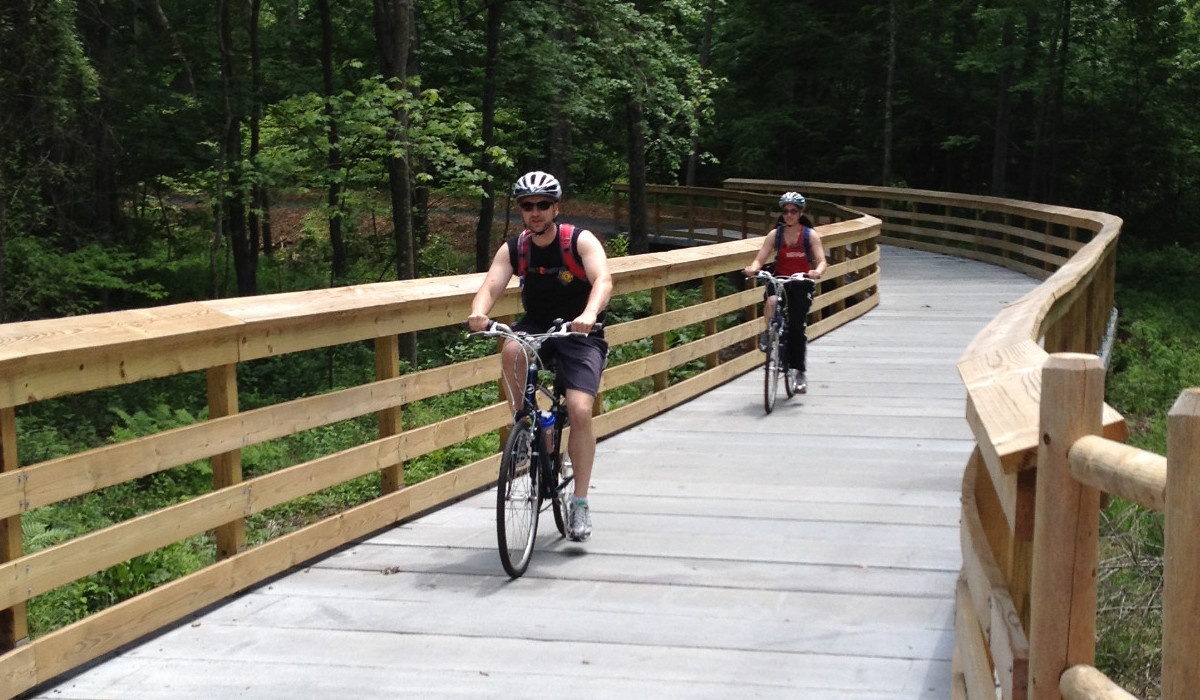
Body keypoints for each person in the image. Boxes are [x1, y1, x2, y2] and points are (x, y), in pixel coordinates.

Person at [468, 171, 613, 542]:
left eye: (543, 204)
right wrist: (479, 312)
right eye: (527, 205)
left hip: (580, 331)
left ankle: (579, 502)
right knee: (511, 347)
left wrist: (589, 314)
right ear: (520, 209)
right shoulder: (515, 248)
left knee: (579, 410)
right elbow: (491, 284)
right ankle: (527, 423)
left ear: (556, 207)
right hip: (537, 326)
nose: (535, 211)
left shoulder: (579, 240)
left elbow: (603, 280)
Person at [742, 191, 828, 393]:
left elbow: (822, 260)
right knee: (771, 301)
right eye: (786, 211)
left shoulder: (809, 235)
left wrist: (816, 272)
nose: (789, 215)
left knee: (797, 327)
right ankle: (768, 333)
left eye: (793, 211)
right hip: (779, 278)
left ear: (801, 213)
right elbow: (760, 258)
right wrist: (753, 268)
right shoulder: (776, 235)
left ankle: (799, 372)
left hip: (801, 282)